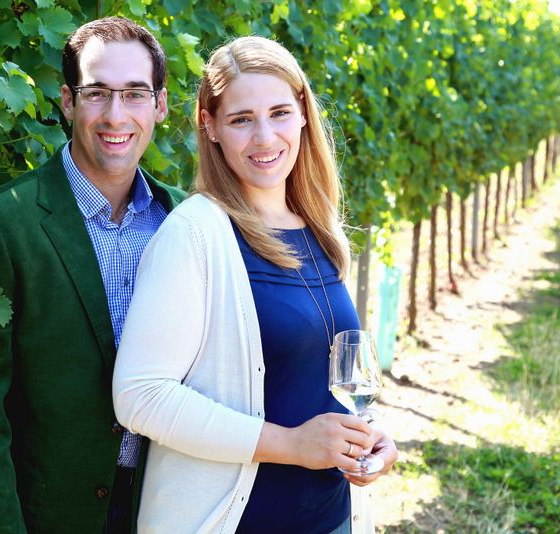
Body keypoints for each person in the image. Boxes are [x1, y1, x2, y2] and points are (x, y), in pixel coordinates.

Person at [112, 36, 397, 534]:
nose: (265, 137)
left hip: (332, 518)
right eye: (242, 119)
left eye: (280, 112)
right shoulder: (194, 234)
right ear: (211, 127)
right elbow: (140, 395)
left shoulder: (318, 227)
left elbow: (312, 382)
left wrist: (365, 438)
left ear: (305, 113)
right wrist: (291, 445)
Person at [0, 17, 185, 534]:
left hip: (164, 511)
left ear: (159, 105)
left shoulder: (184, 223)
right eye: (97, 93)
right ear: (69, 101)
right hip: (44, 518)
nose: (116, 115)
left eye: (135, 94)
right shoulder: (2, 223)